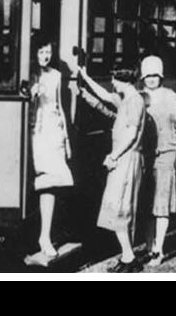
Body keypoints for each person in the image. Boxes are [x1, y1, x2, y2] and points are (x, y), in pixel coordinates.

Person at [76, 62, 148, 272]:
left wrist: (113, 155)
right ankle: (127, 256)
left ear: (123, 80)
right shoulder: (127, 99)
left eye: (114, 80)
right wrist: (85, 77)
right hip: (123, 159)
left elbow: (132, 133)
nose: (112, 84)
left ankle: (129, 259)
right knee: (116, 207)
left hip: (126, 158)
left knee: (120, 207)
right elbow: (104, 95)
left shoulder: (134, 102)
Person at [138, 55, 176, 266]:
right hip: (145, 157)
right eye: (147, 76)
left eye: (155, 75)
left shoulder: (170, 96)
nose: (151, 79)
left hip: (167, 155)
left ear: (160, 76)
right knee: (146, 206)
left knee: (161, 206)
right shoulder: (138, 97)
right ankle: (149, 246)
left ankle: (158, 250)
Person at [25, 39, 74, 257]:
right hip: (34, 131)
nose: (45, 56)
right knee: (36, 183)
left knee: (50, 184)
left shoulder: (55, 74)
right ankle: (32, 234)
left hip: (53, 132)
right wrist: (31, 95)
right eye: (41, 51)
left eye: (48, 52)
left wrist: (66, 137)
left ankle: (44, 236)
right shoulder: (26, 73)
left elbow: (59, 105)